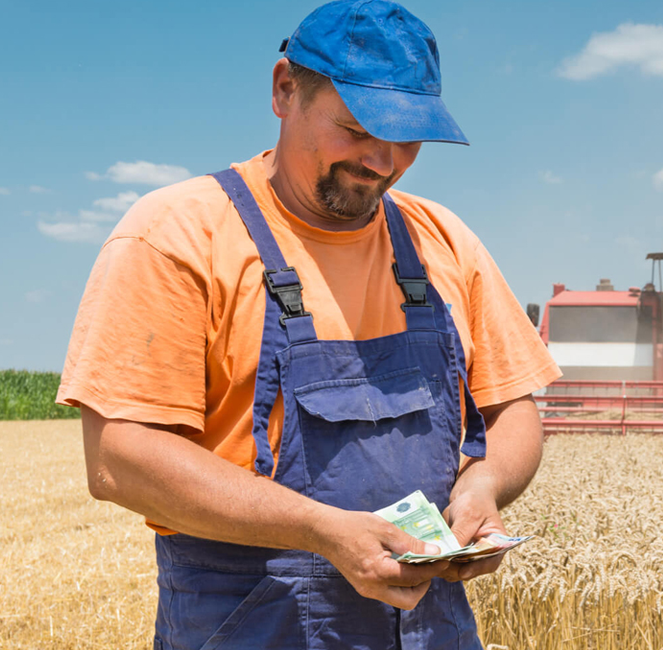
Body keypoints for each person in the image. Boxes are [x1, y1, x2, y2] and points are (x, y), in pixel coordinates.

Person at [55, 2, 560, 649]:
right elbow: (119, 458)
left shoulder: (443, 242)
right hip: (248, 621)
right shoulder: (179, 236)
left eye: (406, 139)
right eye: (356, 129)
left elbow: (512, 409)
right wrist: (321, 529)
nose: (381, 160)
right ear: (284, 89)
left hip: (431, 627)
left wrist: (483, 485)